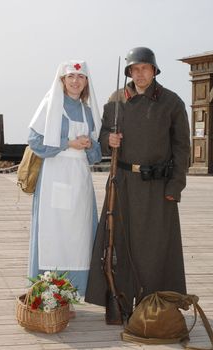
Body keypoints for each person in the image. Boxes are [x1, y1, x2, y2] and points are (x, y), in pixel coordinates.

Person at [85, 47, 190, 319]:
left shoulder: (172, 102)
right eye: (135, 69)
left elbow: (182, 149)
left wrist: (175, 187)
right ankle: (118, 306)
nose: (140, 73)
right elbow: (103, 137)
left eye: (145, 68)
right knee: (117, 243)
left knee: (155, 248)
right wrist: (109, 140)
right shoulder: (115, 100)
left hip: (157, 186)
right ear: (129, 72)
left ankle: (155, 308)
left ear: (154, 70)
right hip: (122, 184)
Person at [27, 60, 102, 298]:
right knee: (53, 234)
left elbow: (96, 156)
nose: (75, 81)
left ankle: (74, 294)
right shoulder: (50, 106)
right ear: (62, 80)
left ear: (86, 82)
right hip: (54, 177)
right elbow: (35, 141)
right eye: (71, 77)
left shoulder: (89, 112)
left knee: (78, 235)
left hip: (79, 180)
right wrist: (68, 143)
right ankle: (49, 293)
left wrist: (90, 145)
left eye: (80, 77)